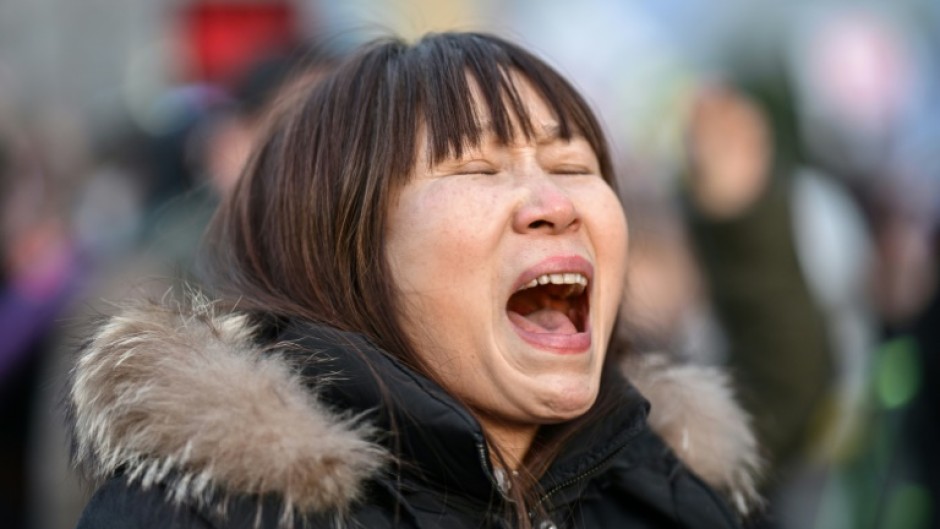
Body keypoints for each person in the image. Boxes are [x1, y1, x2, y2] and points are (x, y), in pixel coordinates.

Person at [67, 32, 761, 529]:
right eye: (478, 171)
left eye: (575, 167)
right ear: (344, 246)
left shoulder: (673, 493)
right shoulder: (197, 513)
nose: (556, 204)